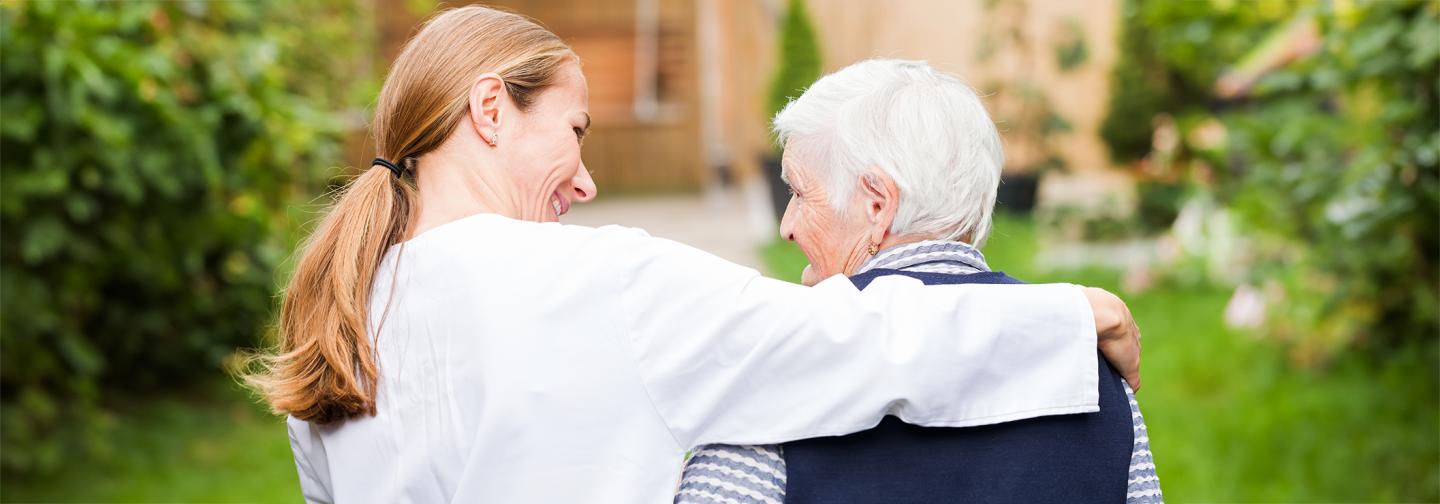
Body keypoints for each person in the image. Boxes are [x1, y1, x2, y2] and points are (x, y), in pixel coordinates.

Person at [243, 7, 1143, 503]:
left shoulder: (338, 326)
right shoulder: (599, 284)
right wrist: (1075, 313)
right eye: (575, 130)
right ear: (489, 110)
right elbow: (859, 338)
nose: (586, 181)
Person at [675, 59, 1162, 504]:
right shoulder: (1087, 358)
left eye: (799, 193)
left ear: (877, 203)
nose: (787, 226)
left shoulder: (779, 363)